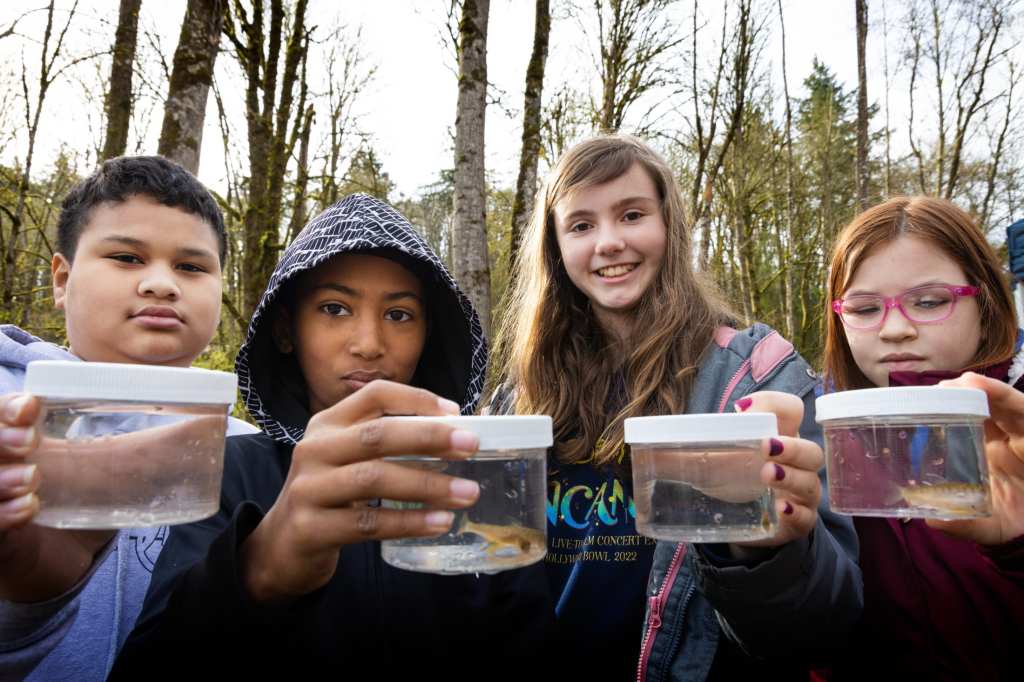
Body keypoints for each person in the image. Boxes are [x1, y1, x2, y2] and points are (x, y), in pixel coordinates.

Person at [110, 194, 553, 679]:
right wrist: (259, 570)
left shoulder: (482, 480)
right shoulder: (224, 470)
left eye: (400, 314)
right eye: (335, 308)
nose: (368, 344)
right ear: (285, 330)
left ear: (432, 334)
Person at [487, 134, 862, 679]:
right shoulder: (519, 397)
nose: (609, 242)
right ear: (556, 248)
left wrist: (767, 555)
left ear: (669, 225)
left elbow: (826, 622)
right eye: (582, 225)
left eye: (632, 214)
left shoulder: (756, 379)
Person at [0, 156, 257, 680]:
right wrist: (27, 604)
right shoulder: (11, 425)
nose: (162, 284)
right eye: (126, 257)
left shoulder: (248, 458)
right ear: (62, 278)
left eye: (191, 267)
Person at [823, 195, 1024, 680]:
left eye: (930, 301)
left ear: (988, 300)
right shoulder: (823, 436)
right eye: (865, 308)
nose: (894, 329)